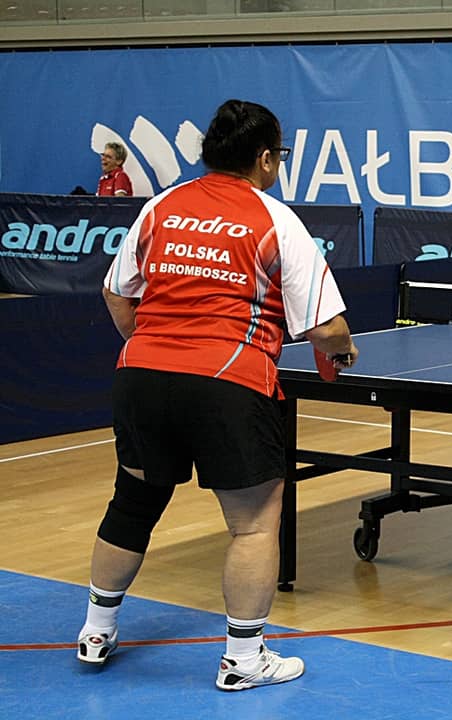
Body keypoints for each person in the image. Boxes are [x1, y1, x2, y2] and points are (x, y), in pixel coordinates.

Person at [77, 99, 359, 691]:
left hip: (141, 375)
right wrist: (343, 350)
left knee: (132, 503)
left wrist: (154, 347)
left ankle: (96, 632)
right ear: (265, 158)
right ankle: (244, 660)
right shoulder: (276, 220)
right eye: (279, 155)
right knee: (253, 525)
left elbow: (116, 292)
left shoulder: (160, 206)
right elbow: (324, 328)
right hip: (229, 383)